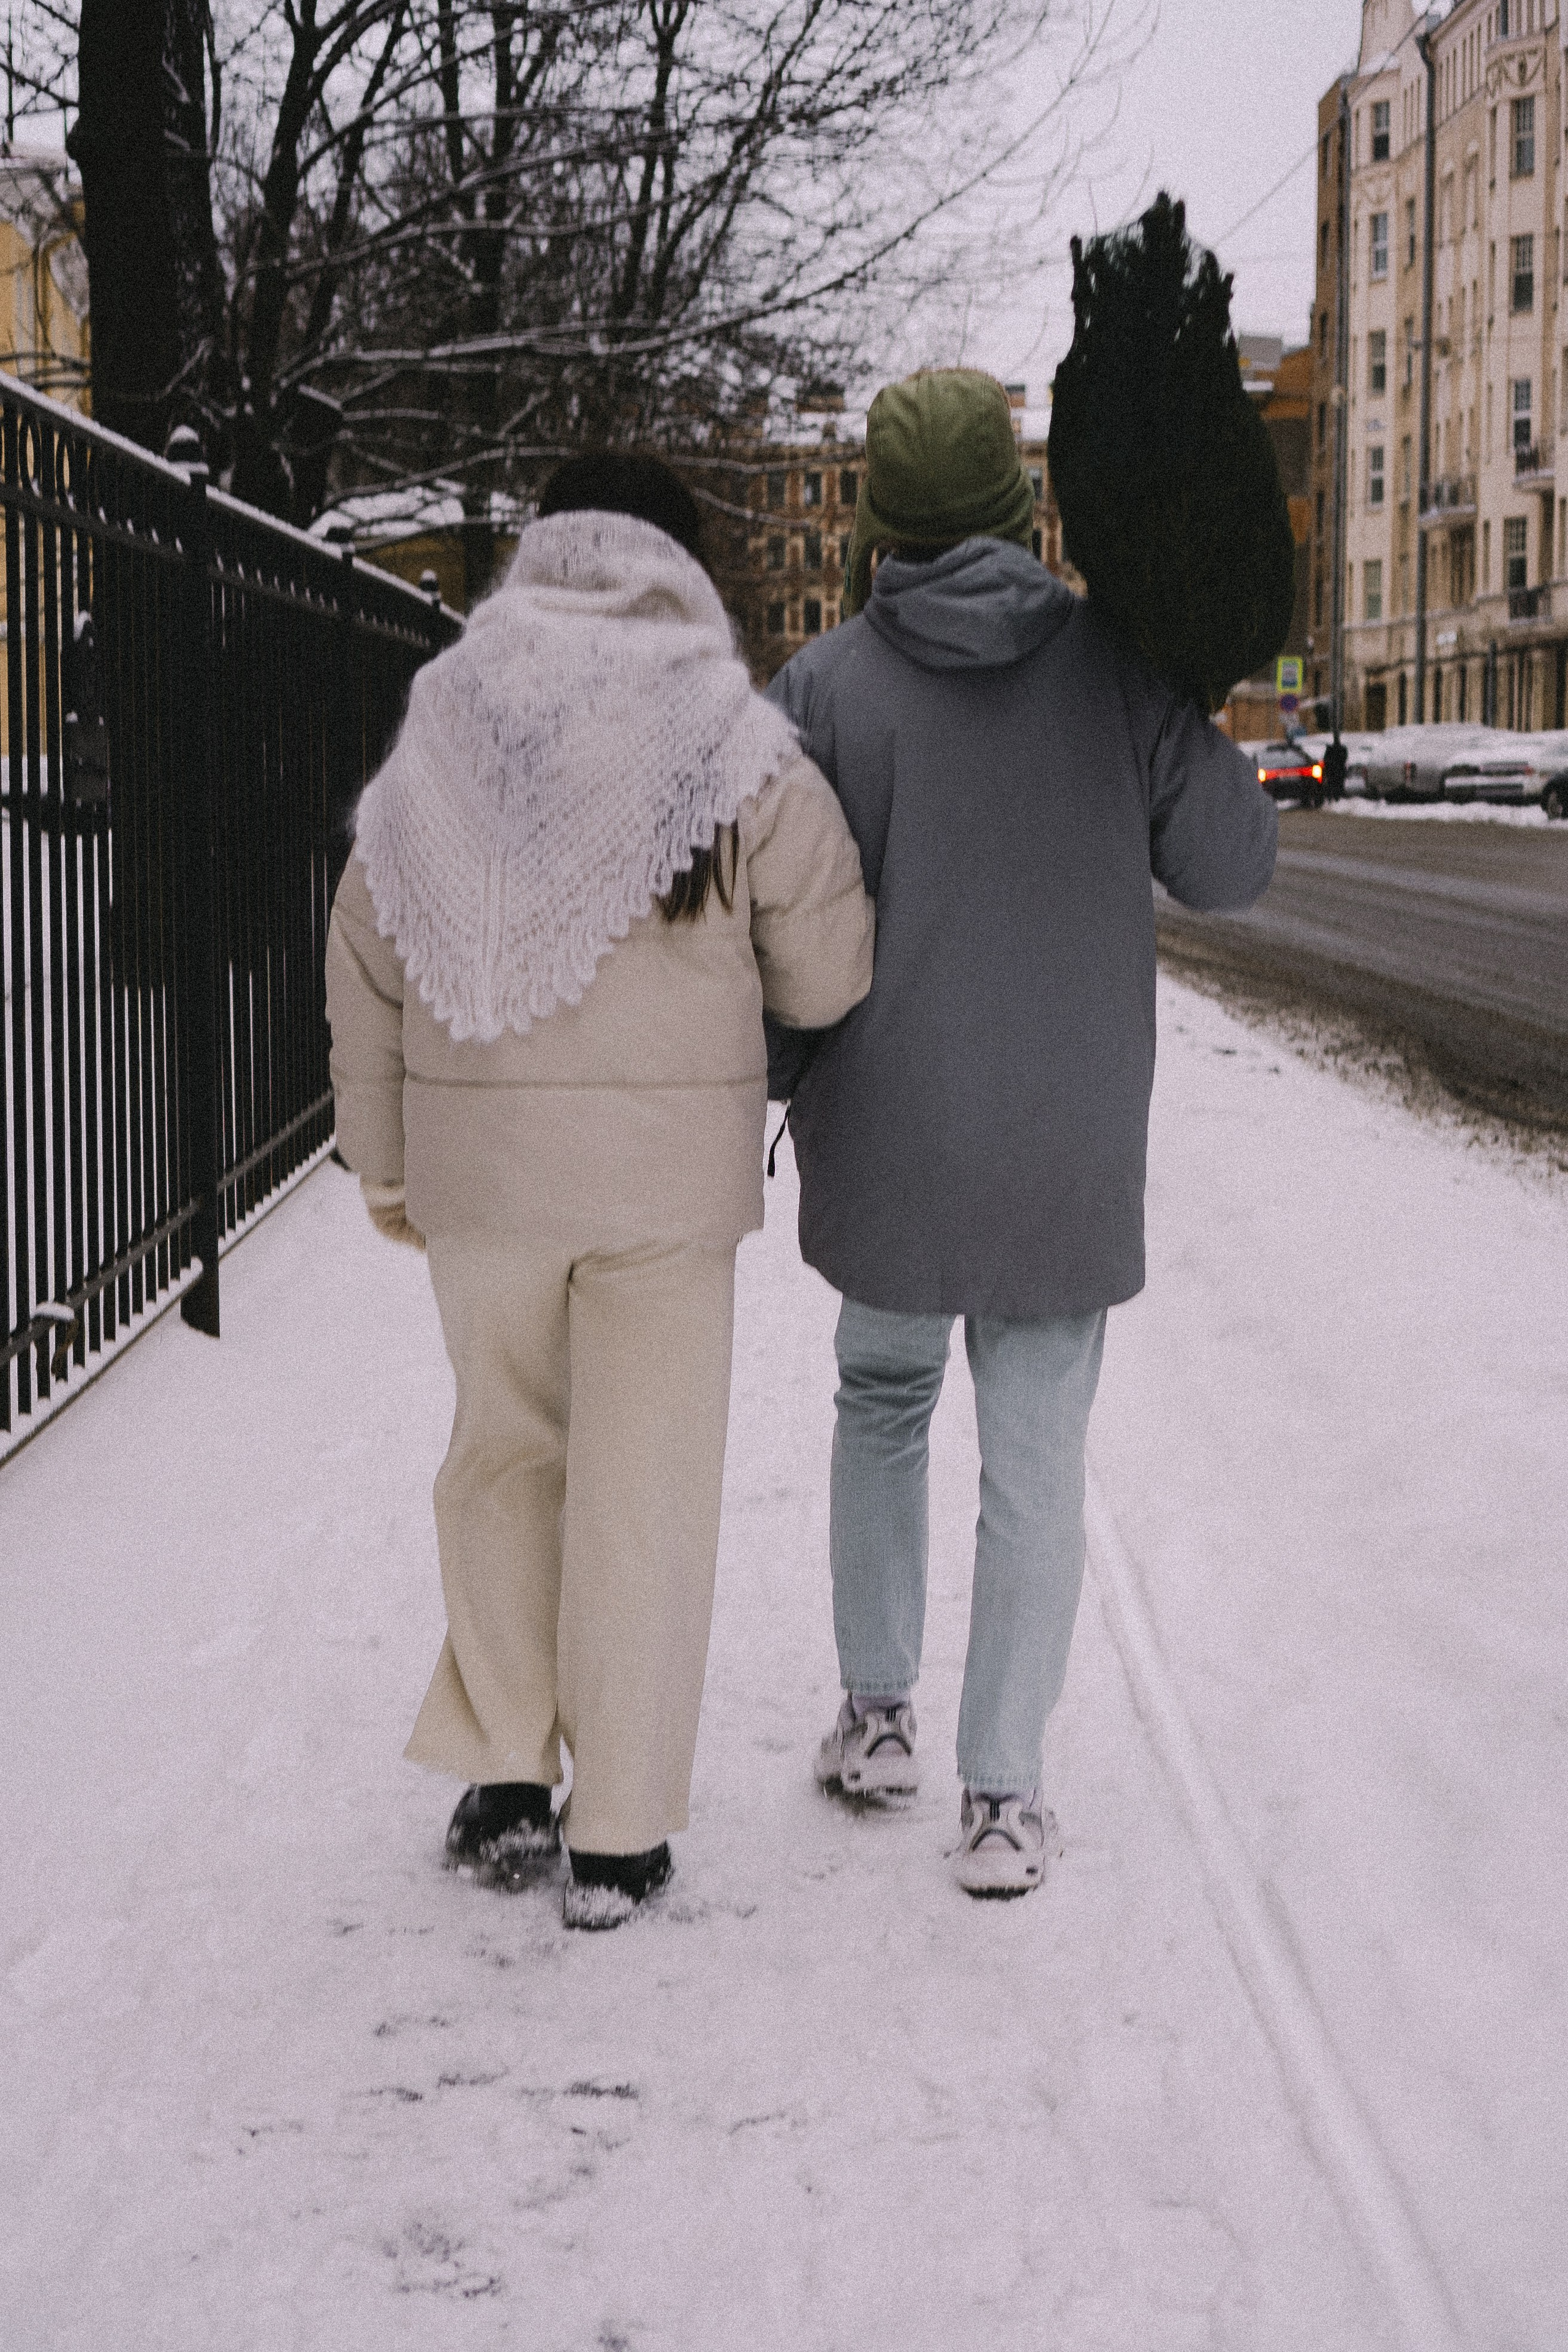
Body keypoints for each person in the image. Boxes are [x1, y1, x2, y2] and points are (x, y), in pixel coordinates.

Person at [326, 453, 874, 1929]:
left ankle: (506, 1768)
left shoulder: (448, 719)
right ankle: (619, 1834)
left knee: (504, 1454)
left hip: (481, 1180)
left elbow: (368, 944)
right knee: (643, 1494)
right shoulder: (735, 740)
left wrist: (383, 1154)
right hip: (661, 1197)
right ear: (679, 564)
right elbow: (828, 964)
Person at [766, 369, 1277, 1898]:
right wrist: (1186, 692)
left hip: (890, 1132)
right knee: (1037, 1463)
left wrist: (777, 1078)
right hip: (1062, 1146)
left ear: (873, 518)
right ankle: (1002, 1800)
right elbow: (1234, 866)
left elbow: (776, 926)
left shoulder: (822, 688)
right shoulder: (1117, 670)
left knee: (880, 1398)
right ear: (1019, 504)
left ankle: (874, 1718)